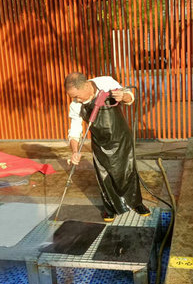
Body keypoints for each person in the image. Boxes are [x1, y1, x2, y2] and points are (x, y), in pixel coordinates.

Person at [64, 72, 150, 222]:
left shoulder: (106, 82)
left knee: (127, 171)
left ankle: (136, 203)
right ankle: (110, 208)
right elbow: (75, 131)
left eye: (77, 96)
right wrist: (75, 151)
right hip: (100, 143)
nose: (76, 100)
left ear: (86, 85)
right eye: (73, 97)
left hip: (121, 138)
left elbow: (130, 98)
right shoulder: (76, 105)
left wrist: (123, 96)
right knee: (105, 177)